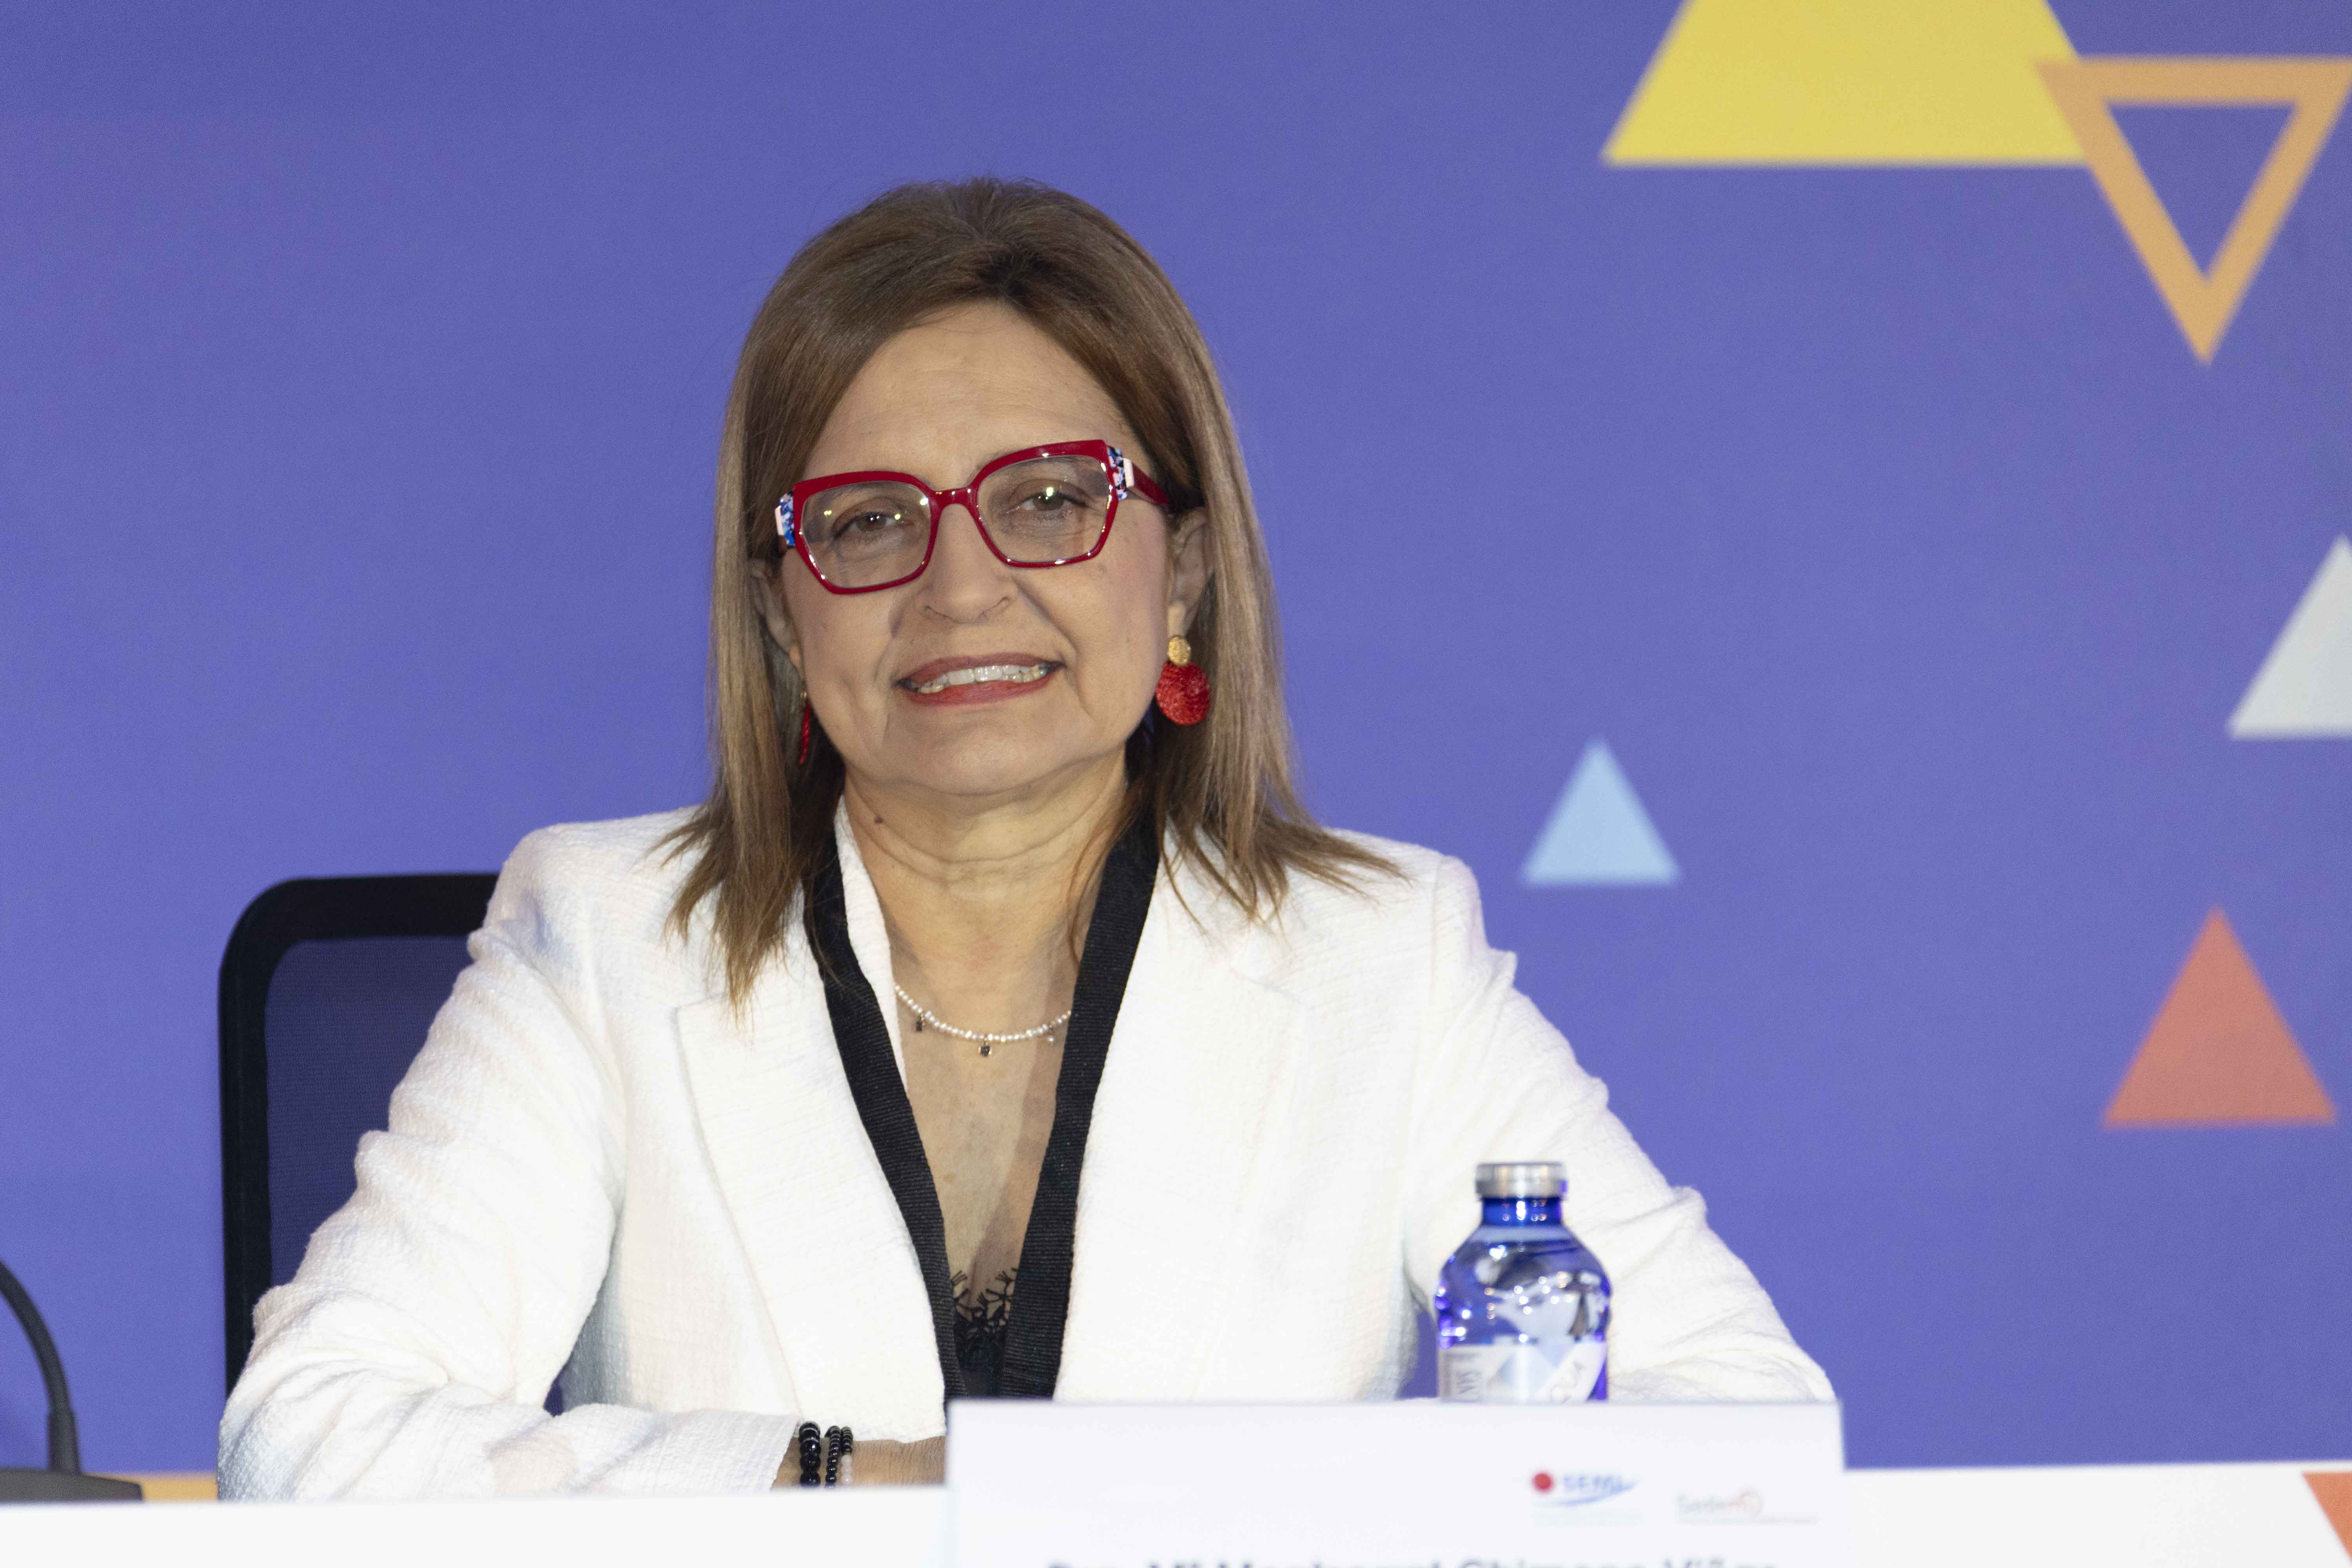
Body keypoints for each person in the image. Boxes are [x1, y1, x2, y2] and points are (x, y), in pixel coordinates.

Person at [219, 177, 1829, 1499]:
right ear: (781, 617)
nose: (963, 587)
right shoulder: (605, 938)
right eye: (869, 522)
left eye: (1051, 499)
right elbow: (313, 1437)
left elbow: (1745, 1429)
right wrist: (856, 1487)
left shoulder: (1382, 959)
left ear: (1183, 567)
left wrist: (1311, 1515)